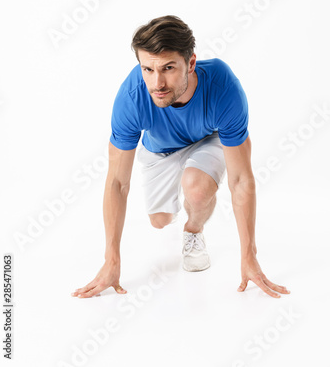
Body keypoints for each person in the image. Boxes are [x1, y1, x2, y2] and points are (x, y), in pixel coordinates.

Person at [71, 15, 290, 299]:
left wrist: (249, 255)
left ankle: (194, 230)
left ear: (191, 63)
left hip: (206, 139)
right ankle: (172, 217)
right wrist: (111, 260)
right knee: (159, 221)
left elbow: (240, 179)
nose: (157, 82)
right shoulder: (132, 97)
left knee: (196, 190)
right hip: (159, 149)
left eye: (168, 68)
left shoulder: (223, 88)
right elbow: (116, 183)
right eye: (147, 69)